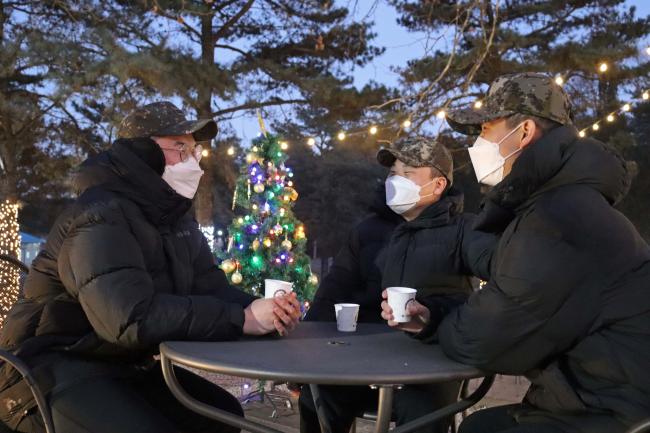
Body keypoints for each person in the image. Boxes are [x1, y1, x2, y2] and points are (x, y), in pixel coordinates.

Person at [0, 102, 301, 433]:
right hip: (46, 368)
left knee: (222, 413)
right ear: (141, 152)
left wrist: (264, 312)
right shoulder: (100, 214)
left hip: (121, 363)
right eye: (180, 147)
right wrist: (240, 319)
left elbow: (211, 287)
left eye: (195, 149)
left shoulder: (172, 221)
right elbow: (128, 318)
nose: (194, 160)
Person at [381, 73, 650, 433]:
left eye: (485, 130)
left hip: (611, 409)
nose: (477, 145)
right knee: (477, 426)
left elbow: (484, 338)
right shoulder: (560, 204)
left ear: (523, 132)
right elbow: (507, 297)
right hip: (590, 394)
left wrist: (434, 323)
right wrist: (433, 317)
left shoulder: (559, 218)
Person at [299, 137, 496, 433]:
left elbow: (484, 297)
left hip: (432, 364)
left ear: (438, 185)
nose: (395, 181)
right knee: (317, 397)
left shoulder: (465, 231)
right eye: (392, 174)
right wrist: (305, 352)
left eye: (408, 174)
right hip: (363, 360)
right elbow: (334, 289)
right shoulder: (366, 231)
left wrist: (432, 315)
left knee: (423, 416)